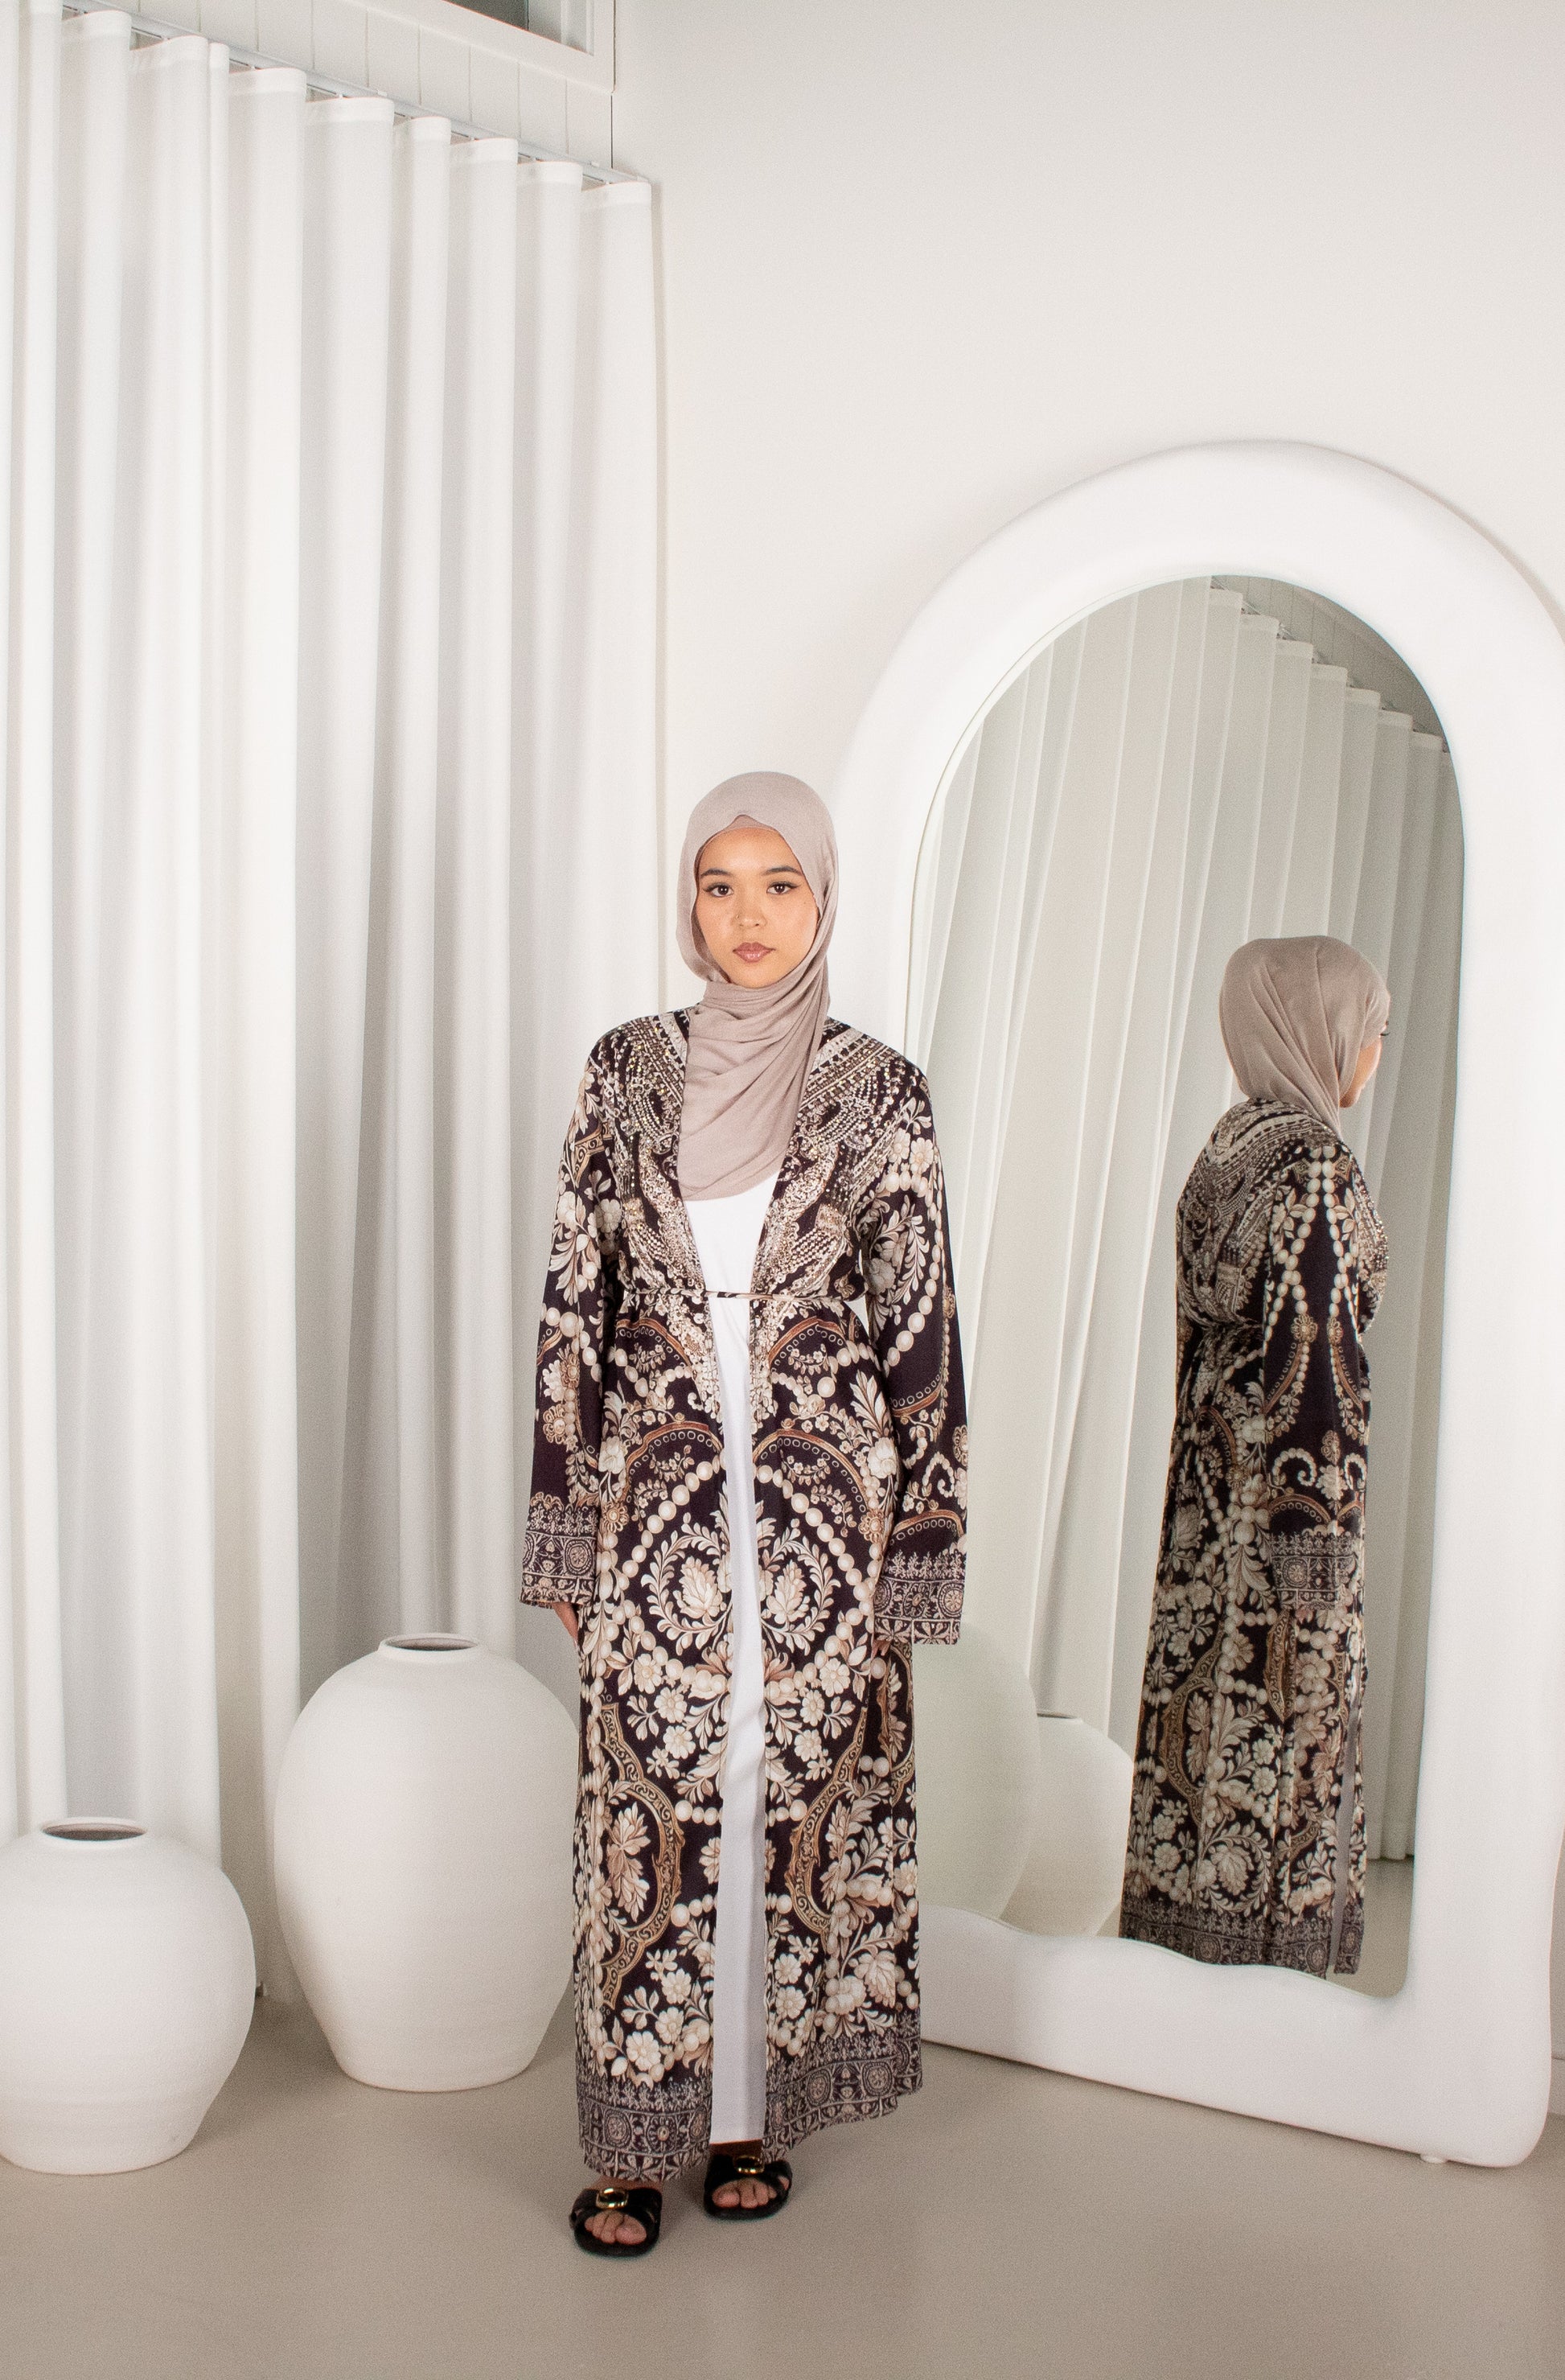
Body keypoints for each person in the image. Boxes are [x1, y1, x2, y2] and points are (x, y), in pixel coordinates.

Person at [522, 774, 967, 2256]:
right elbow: (572, 1310)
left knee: (790, 1805)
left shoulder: (879, 1091)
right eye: (720, 885)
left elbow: (921, 1329)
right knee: (645, 1812)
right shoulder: (624, 1074)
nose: (749, 915)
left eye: (780, 885)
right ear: (689, 903)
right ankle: (625, 2140)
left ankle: (745, 2123)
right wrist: (562, 1523)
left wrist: (922, 1541)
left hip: (823, 1518)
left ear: (823, 898)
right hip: (652, 1508)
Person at [1120, 934, 1390, 1978]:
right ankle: (1272, 1984)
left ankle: (1182, 1964)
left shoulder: (1226, 1152)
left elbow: (1202, 1354)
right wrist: (1318, 1557)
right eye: (1368, 1029)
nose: (1373, 1051)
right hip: (1288, 1528)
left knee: (1199, 1738)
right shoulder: (1315, 1167)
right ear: (1319, 1030)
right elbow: (1317, 1368)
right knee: (1275, 1748)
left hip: (1206, 1510)